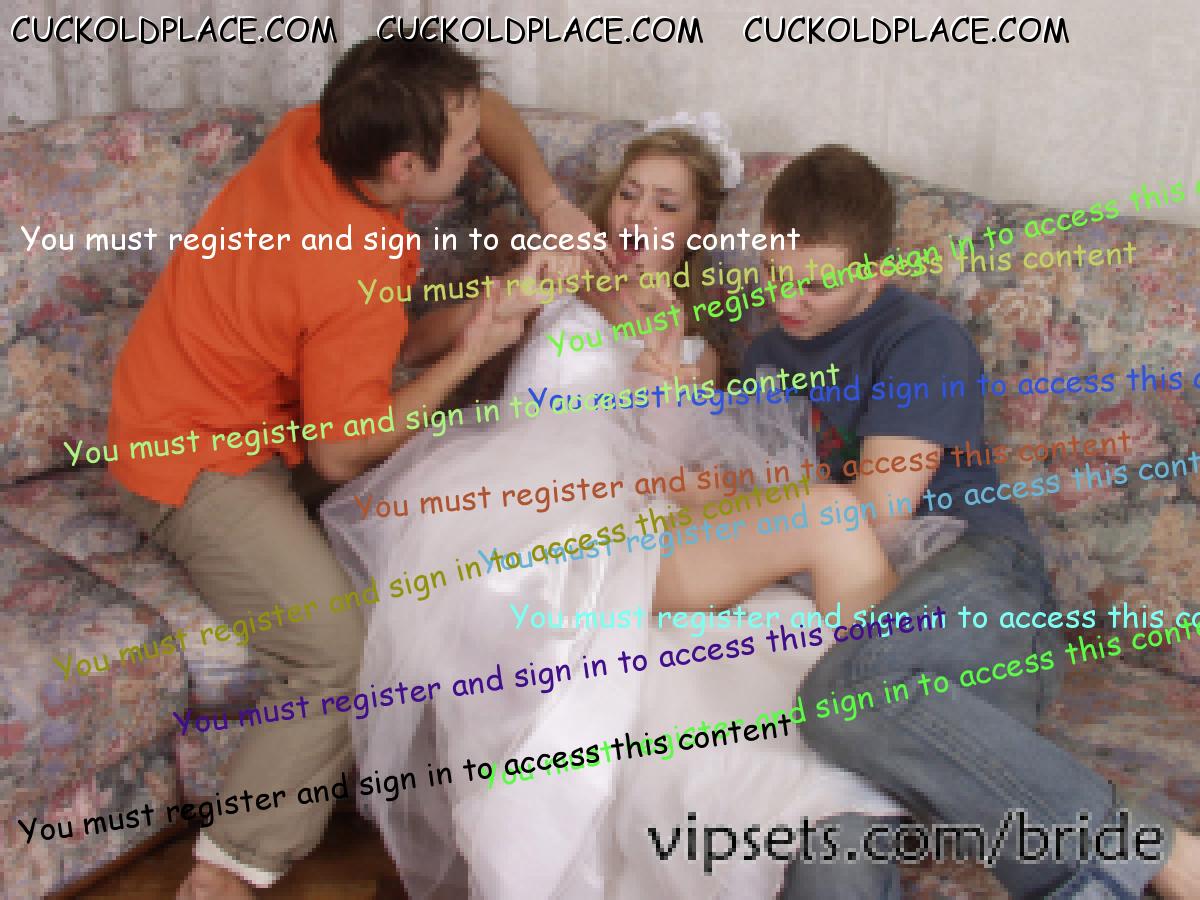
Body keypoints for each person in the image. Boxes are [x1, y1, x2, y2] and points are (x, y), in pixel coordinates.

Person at [322, 116, 964, 899]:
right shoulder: (555, 285)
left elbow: (681, 474)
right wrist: (507, 300)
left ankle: (867, 756)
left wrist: (667, 374)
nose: (639, 215)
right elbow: (409, 345)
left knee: (733, 639)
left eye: (667, 205)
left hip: (631, 519)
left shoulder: (697, 347)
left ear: (697, 231)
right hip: (505, 496)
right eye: (630, 194)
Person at [107, 31, 609, 900]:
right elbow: (342, 449)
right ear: (405, 166)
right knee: (337, 651)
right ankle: (225, 869)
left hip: (273, 413)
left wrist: (549, 205)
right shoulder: (348, 263)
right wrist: (472, 351)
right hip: (189, 452)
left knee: (455, 493)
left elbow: (476, 113)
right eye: (462, 149)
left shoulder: (319, 130)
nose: (476, 151)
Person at [741, 144, 1200, 899]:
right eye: (773, 272)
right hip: (848, 623)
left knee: (845, 699)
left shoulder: (919, 339)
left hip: (978, 585)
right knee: (826, 833)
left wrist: (769, 510)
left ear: (873, 274)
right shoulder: (764, 356)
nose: (788, 302)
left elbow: (877, 513)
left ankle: (1157, 852)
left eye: (816, 284)